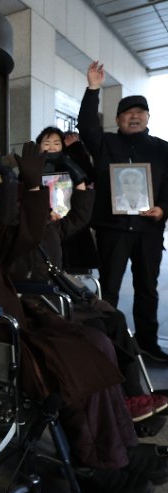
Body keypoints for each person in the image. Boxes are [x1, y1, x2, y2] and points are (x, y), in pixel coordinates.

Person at [0, 134, 168, 493]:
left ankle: (121, 445)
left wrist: (30, 186)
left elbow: (27, 236)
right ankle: (95, 464)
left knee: (96, 341)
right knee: (73, 364)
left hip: (16, 321)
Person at [7, 127, 168, 424]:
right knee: (100, 329)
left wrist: (76, 176)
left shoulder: (50, 225)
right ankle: (122, 400)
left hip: (61, 294)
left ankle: (133, 394)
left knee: (115, 318)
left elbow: (80, 216)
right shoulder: (16, 230)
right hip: (44, 304)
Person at [78, 60, 168, 362]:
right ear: (117, 119)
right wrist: (93, 89)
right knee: (110, 288)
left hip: (148, 230)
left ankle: (148, 344)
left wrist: (163, 210)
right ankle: (106, 345)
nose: (134, 117)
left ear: (147, 117)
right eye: (128, 113)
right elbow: (87, 126)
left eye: (140, 112)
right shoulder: (106, 143)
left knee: (147, 289)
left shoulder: (162, 148)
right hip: (112, 228)